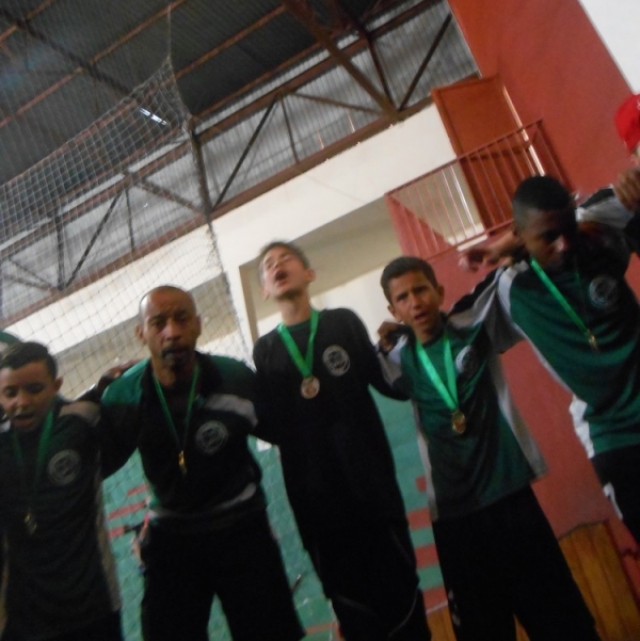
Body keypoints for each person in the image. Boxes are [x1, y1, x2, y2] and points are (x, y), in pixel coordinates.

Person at [378, 256, 599, 641]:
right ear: (393, 310)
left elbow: (514, 269)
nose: (415, 302)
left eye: (420, 290)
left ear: (438, 292)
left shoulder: (473, 323)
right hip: (454, 518)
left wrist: (506, 246)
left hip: (510, 498)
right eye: (403, 297)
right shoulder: (392, 359)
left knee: (565, 624)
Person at [98, 285, 304, 641]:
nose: (172, 332)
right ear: (141, 333)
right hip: (171, 535)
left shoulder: (234, 379)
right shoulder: (123, 397)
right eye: (158, 323)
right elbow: (95, 466)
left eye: (181, 319)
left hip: (241, 526)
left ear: (198, 324)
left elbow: (288, 433)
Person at [253, 241, 431, 641]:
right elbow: (271, 425)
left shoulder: (342, 323)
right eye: (268, 265)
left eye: (286, 258)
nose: (277, 265)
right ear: (265, 289)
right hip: (317, 508)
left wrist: (405, 341)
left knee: (402, 602)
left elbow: (386, 382)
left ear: (309, 274)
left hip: (373, 493)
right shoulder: (265, 350)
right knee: (354, 612)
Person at [464, 176, 640, 543]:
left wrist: (633, 182)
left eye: (568, 230)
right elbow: (445, 331)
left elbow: (619, 195)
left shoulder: (595, 229)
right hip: (613, 436)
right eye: (548, 238)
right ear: (520, 235)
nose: (564, 245)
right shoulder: (510, 290)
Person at [0, 341, 122, 641]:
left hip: (93, 605)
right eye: (10, 393)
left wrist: (113, 383)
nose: (22, 402)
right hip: (23, 618)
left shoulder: (84, 419)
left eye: (34, 389)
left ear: (56, 386)